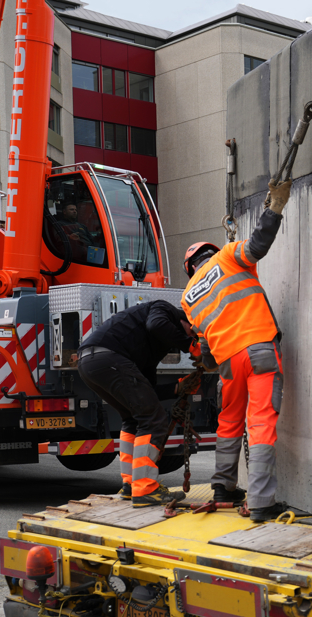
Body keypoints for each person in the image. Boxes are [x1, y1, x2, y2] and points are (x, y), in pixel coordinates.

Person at [181, 178, 291, 522]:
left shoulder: (188, 298)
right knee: (259, 422)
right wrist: (276, 208)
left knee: (229, 421)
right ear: (210, 253)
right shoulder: (227, 257)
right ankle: (260, 502)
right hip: (259, 348)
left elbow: (204, 350)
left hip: (229, 362)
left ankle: (223, 487)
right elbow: (257, 246)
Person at [75, 300, 193, 507]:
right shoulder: (163, 309)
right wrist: (192, 346)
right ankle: (145, 488)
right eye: (192, 332)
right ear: (185, 320)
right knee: (153, 420)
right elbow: (157, 325)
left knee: (133, 418)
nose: (189, 338)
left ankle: (131, 485)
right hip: (108, 358)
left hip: (89, 363)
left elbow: (148, 388)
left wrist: (176, 388)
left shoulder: (150, 346)